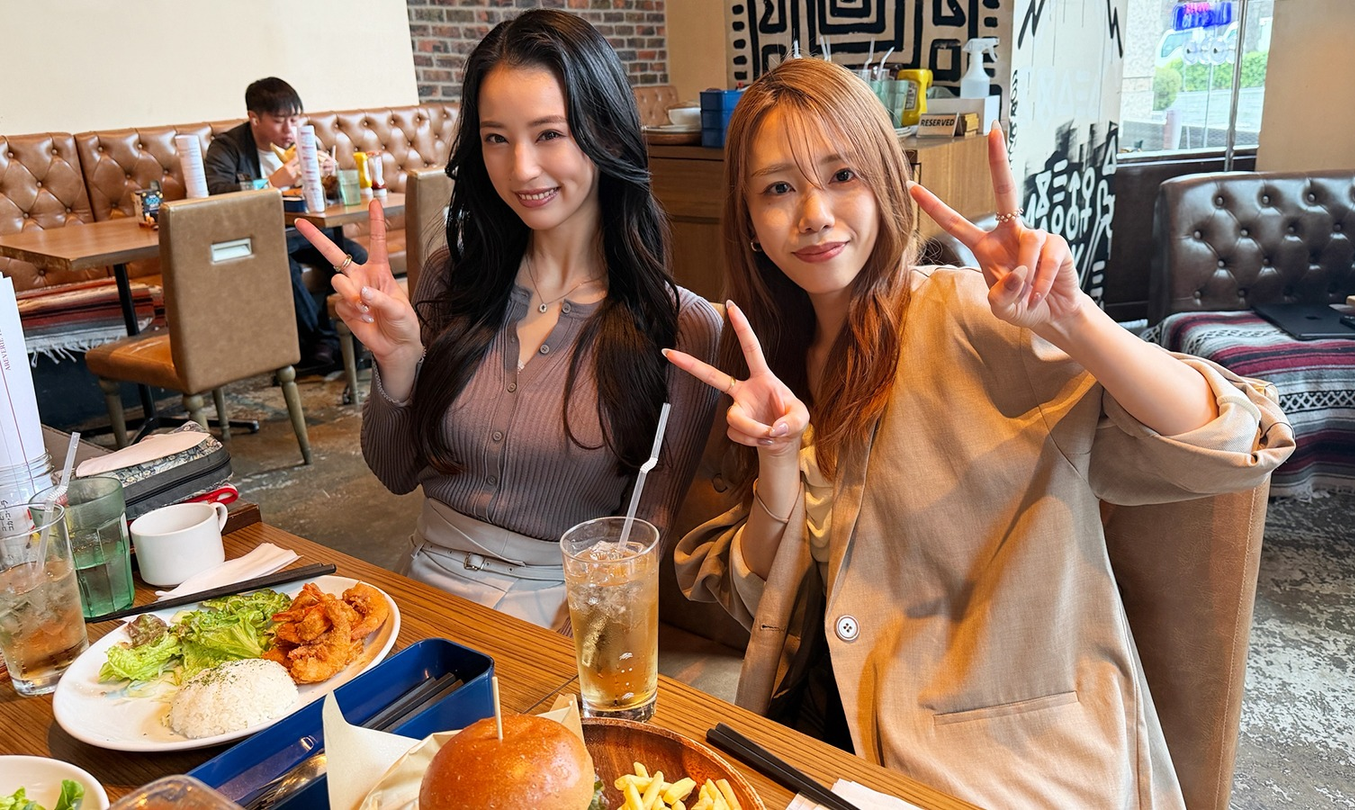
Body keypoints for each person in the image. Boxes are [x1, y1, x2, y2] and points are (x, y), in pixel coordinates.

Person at [662, 58, 1295, 807]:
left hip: (1003, 760)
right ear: (746, 217)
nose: (814, 214)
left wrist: (1076, 321)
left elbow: (1234, 443)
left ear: (888, 182)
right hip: (827, 727)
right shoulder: (766, 359)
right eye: (778, 188)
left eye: (842, 175)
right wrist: (774, 461)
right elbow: (754, 596)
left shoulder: (970, 316)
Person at [295, 10, 721, 631]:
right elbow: (394, 473)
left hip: (562, 610)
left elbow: (643, 533)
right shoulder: (451, 279)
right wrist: (399, 363)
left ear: (606, 135)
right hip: (419, 588)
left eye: (549, 134)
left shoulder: (681, 326)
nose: (520, 169)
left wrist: (568, 652)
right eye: (496, 138)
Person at [205, 76, 367, 371]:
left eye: (294, 119)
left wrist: (329, 177)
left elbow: (330, 199)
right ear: (254, 118)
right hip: (257, 237)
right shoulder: (227, 146)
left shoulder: (306, 143)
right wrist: (272, 183)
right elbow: (215, 193)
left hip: (304, 231)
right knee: (282, 265)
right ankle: (323, 344)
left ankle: (333, 341)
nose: (289, 130)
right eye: (279, 121)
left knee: (355, 255)